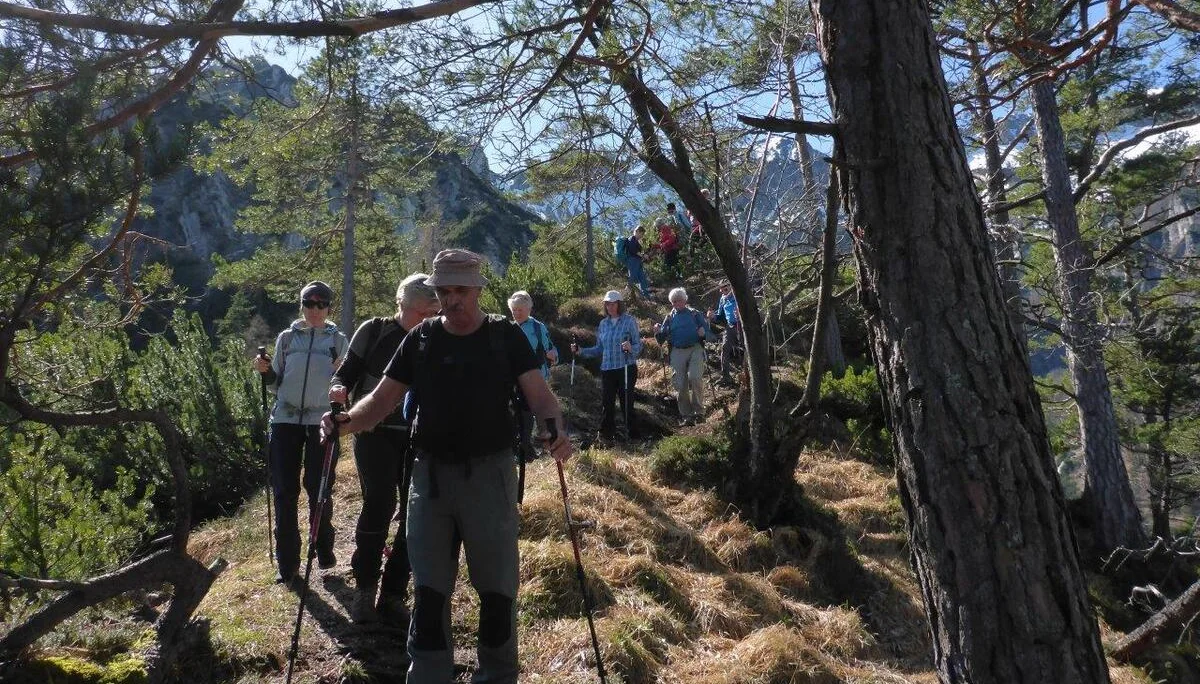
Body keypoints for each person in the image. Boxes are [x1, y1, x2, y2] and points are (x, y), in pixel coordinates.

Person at [321, 249, 571, 684]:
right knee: (430, 592)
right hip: (430, 481)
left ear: (477, 290)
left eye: (461, 290)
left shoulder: (505, 337)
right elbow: (381, 401)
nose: (452, 299)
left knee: (496, 592)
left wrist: (555, 428)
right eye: (444, 291)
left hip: (491, 478)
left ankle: (496, 676)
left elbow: (540, 396)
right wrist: (344, 424)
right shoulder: (419, 340)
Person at [329, 273, 441, 624]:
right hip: (374, 431)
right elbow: (346, 372)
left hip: (419, 436)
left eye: (431, 312)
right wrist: (338, 390)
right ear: (403, 305)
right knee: (379, 503)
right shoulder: (374, 331)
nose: (427, 320)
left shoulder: (436, 336)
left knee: (415, 513)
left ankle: (393, 591)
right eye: (422, 313)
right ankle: (365, 585)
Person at [254, 281, 349, 584]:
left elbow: (347, 384)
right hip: (284, 419)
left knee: (318, 486)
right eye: (309, 303)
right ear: (302, 305)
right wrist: (265, 370)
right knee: (284, 490)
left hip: (322, 421)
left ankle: (323, 548)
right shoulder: (286, 338)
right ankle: (288, 564)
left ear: (329, 307)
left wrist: (341, 376)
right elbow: (274, 382)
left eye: (322, 304)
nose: (315, 310)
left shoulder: (339, 340)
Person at [570, 290, 643, 442]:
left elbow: (638, 345)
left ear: (619, 304)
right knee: (607, 403)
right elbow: (599, 349)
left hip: (626, 367)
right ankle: (606, 436)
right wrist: (581, 351)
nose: (610, 306)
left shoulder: (629, 321)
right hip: (608, 369)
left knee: (626, 402)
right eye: (607, 304)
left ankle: (633, 435)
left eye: (613, 303)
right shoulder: (603, 324)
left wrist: (631, 348)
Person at [508, 290, 559, 464]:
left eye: (519, 309)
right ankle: (523, 448)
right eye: (513, 309)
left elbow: (551, 348)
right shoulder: (507, 328)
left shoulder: (538, 327)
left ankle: (527, 448)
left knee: (529, 412)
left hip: (536, 377)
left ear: (528, 309)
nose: (516, 313)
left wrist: (553, 354)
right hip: (514, 379)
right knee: (520, 413)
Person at [653, 287, 714, 426]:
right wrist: (657, 332)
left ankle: (699, 412)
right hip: (677, 351)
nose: (676, 304)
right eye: (674, 301)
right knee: (680, 384)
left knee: (695, 377)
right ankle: (686, 415)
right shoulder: (669, 318)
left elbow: (710, 334)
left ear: (685, 300)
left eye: (679, 301)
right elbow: (661, 339)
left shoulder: (695, 314)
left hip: (695, 349)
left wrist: (703, 333)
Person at [708, 280, 741, 387]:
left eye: (725, 288)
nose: (722, 290)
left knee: (746, 348)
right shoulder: (723, 299)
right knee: (725, 348)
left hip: (743, 326)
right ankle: (726, 375)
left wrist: (741, 314)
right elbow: (720, 315)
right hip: (730, 326)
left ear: (731, 286)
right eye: (721, 288)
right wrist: (713, 316)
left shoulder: (739, 295)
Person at [625, 225, 652, 299]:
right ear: (637, 232)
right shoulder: (631, 239)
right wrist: (643, 256)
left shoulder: (635, 240)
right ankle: (625, 294)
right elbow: (633, 250)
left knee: (642, 278)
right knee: (632, 276)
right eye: (641, 234)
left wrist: (643, 255)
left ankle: (646, 297)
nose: (642, 236)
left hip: (638, 261)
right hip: (632, 260)